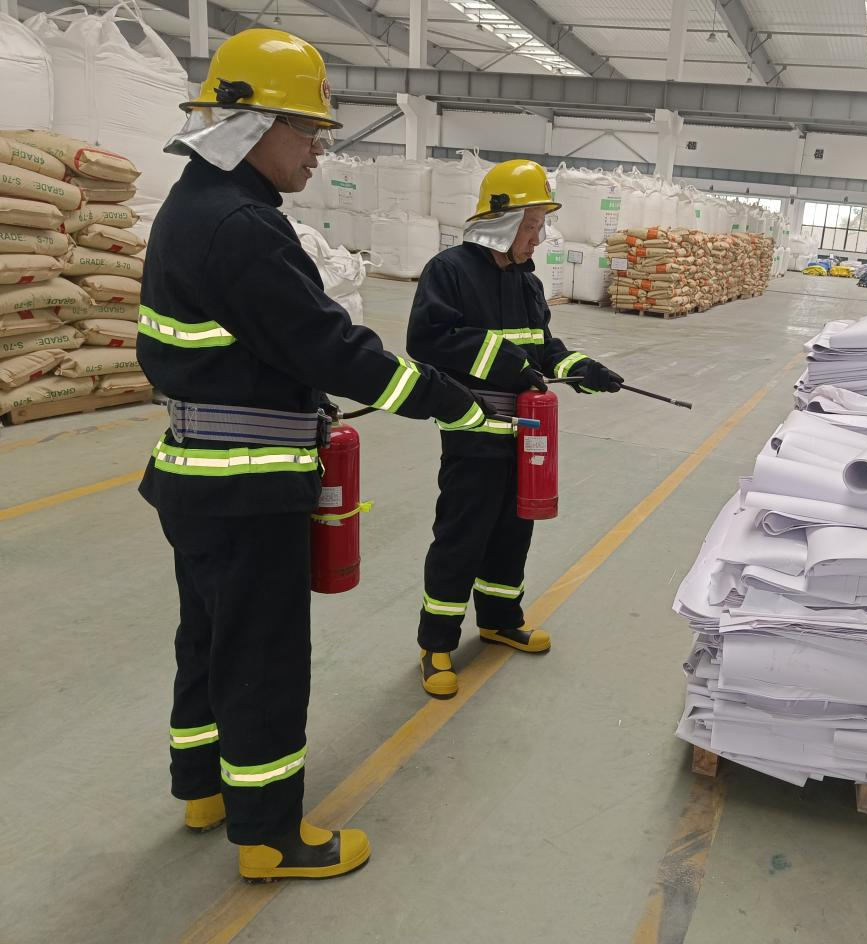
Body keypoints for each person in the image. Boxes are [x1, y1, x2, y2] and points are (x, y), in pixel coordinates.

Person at [138, 28, 487, 882]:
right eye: (308, 129)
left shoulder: (193, 206)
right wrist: (446, 399)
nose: (319, 149)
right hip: (248, 486)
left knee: (209, 638)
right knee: (261, 656)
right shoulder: (241, 227)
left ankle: (203, 789)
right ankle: (269, 837)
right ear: (254, 124)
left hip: (197, 475)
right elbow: (329, 347)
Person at [406, 160, 624, 698]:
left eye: (541, 225)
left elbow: (541, 348)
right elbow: (428, 340)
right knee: (462, 537)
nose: (538, 237)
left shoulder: (526, 281)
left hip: (525, 436)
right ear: (501, 221)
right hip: (474, 431)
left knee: (513, 530)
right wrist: (506, 363)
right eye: (531, 226)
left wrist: (579, 367)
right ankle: (437, 643)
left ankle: (500, 620)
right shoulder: (450, 271)